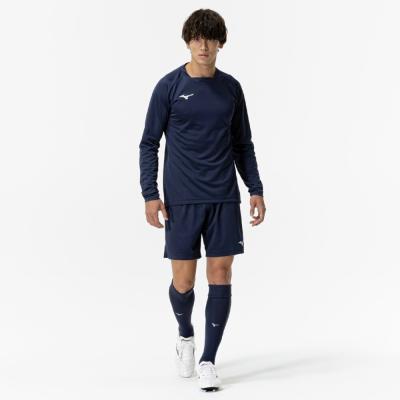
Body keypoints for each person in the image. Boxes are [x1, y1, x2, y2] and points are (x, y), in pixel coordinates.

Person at [139, 8, 266, 391]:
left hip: (223, 197)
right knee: (183, 281)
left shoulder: (231, 88)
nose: (204, 45)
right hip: (181, 199)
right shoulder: (169, 86)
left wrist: (255, 188)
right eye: (197, 38)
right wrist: (150, 194)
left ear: (220, 43)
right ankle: (185, 336)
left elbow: (243, 144)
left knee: (221, 275)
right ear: (188, 41)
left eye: (210, 38)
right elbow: (149, 143)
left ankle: (209, 359)